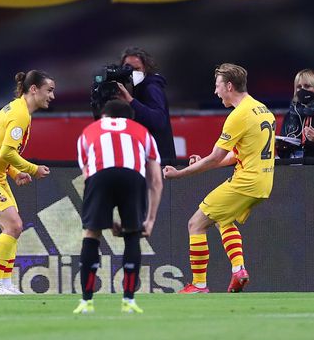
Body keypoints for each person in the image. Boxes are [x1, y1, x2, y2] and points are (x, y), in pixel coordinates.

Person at [163, 63, 275, 294]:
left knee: (196, 224)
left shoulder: (238, 116)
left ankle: (199, 285)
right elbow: (236, 154)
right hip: (263, 182)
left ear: (229, 86)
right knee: (223, 219)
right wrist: (204, 159)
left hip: (246, 181)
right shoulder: (262, 109)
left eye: (217, 86)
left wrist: (179, 174)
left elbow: (215, 159)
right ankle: (238, 270)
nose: (216, 92)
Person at [0, 70, 52, 295]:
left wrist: (14, 173)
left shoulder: (18, 109)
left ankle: (4, 284)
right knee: (12, 226)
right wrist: (32, 169)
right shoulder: (20, 114)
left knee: (15, 227)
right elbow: (6, 151)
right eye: (49, 90)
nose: (52, 96)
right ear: (34, 89)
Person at [73, 100, 162, 314]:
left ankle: (86, 302)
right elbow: (156, 182)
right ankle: (129, 301)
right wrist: (149, 220)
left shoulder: (88, 132)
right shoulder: (142, 131)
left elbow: (88, 176)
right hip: (132, 177)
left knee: (91, 232)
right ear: (129, 118)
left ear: (103, 116)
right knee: (132, 234)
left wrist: (104, 219)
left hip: (99, 176)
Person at [115, 46, 176, 162]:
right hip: (145, 156)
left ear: (146, 68)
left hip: (159, 161)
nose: (132, 73)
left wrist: (131, 101)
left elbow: (158, 120)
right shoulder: (135, 87)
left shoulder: (151, 88)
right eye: (128, 69)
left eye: (137, 69)